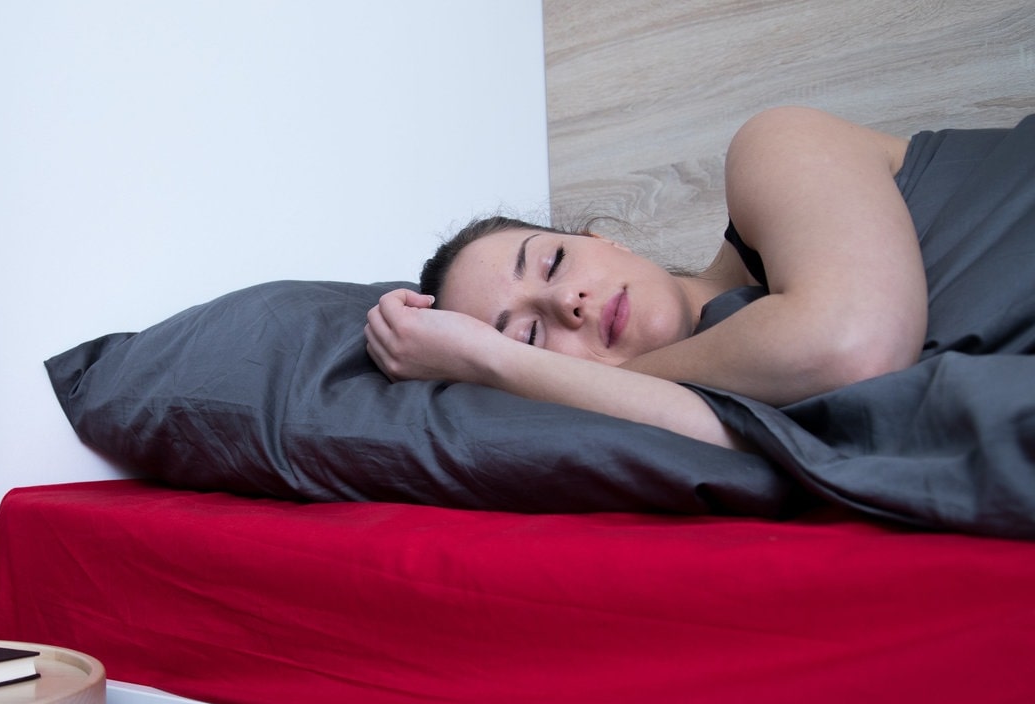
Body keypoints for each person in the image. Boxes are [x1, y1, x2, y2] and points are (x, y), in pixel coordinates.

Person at [364, 106, 925, 450]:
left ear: (602, 238)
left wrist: (502, 358)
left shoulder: (776, 147)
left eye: (554, 262)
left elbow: (853, 346)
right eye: (530, 336)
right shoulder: (706, 415)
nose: (567, 302)